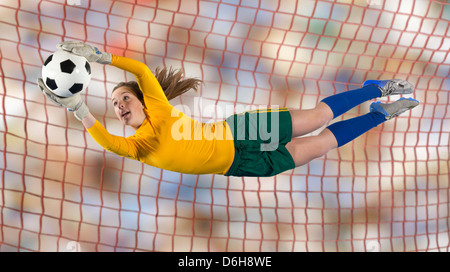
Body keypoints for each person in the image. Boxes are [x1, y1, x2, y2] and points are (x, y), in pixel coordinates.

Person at [37, 41, 419, 177]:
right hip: (240, 166)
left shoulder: (162, 113)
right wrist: (78, 108)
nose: (119, 105)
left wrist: (103, 57)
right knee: (321, 146)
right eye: (116, 103)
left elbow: (138, 68)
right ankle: (378, 114)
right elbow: (107, 142)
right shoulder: (138, 147)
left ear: (143, 100)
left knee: (318, 119)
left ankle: (376, 88)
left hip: (242, 133)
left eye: (125, 98)